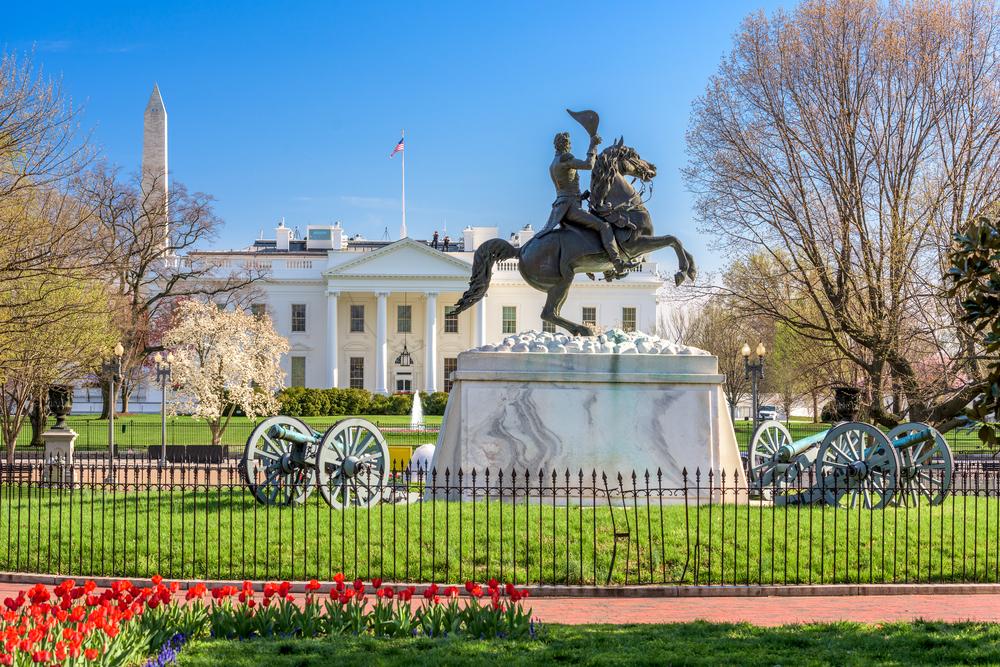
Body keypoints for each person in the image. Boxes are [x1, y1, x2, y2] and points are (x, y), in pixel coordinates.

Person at [534, 131, 633, 273]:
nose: (570, 146)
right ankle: (617, 264)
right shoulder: (565, 158)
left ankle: (603, 267)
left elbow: (565, 189)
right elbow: (588, 164)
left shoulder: (553, 163)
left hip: (562, 206)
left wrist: (580, 196)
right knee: (604, 226)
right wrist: (593, 145)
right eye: (569, 143)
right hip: (571, 208)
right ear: (566, 144)